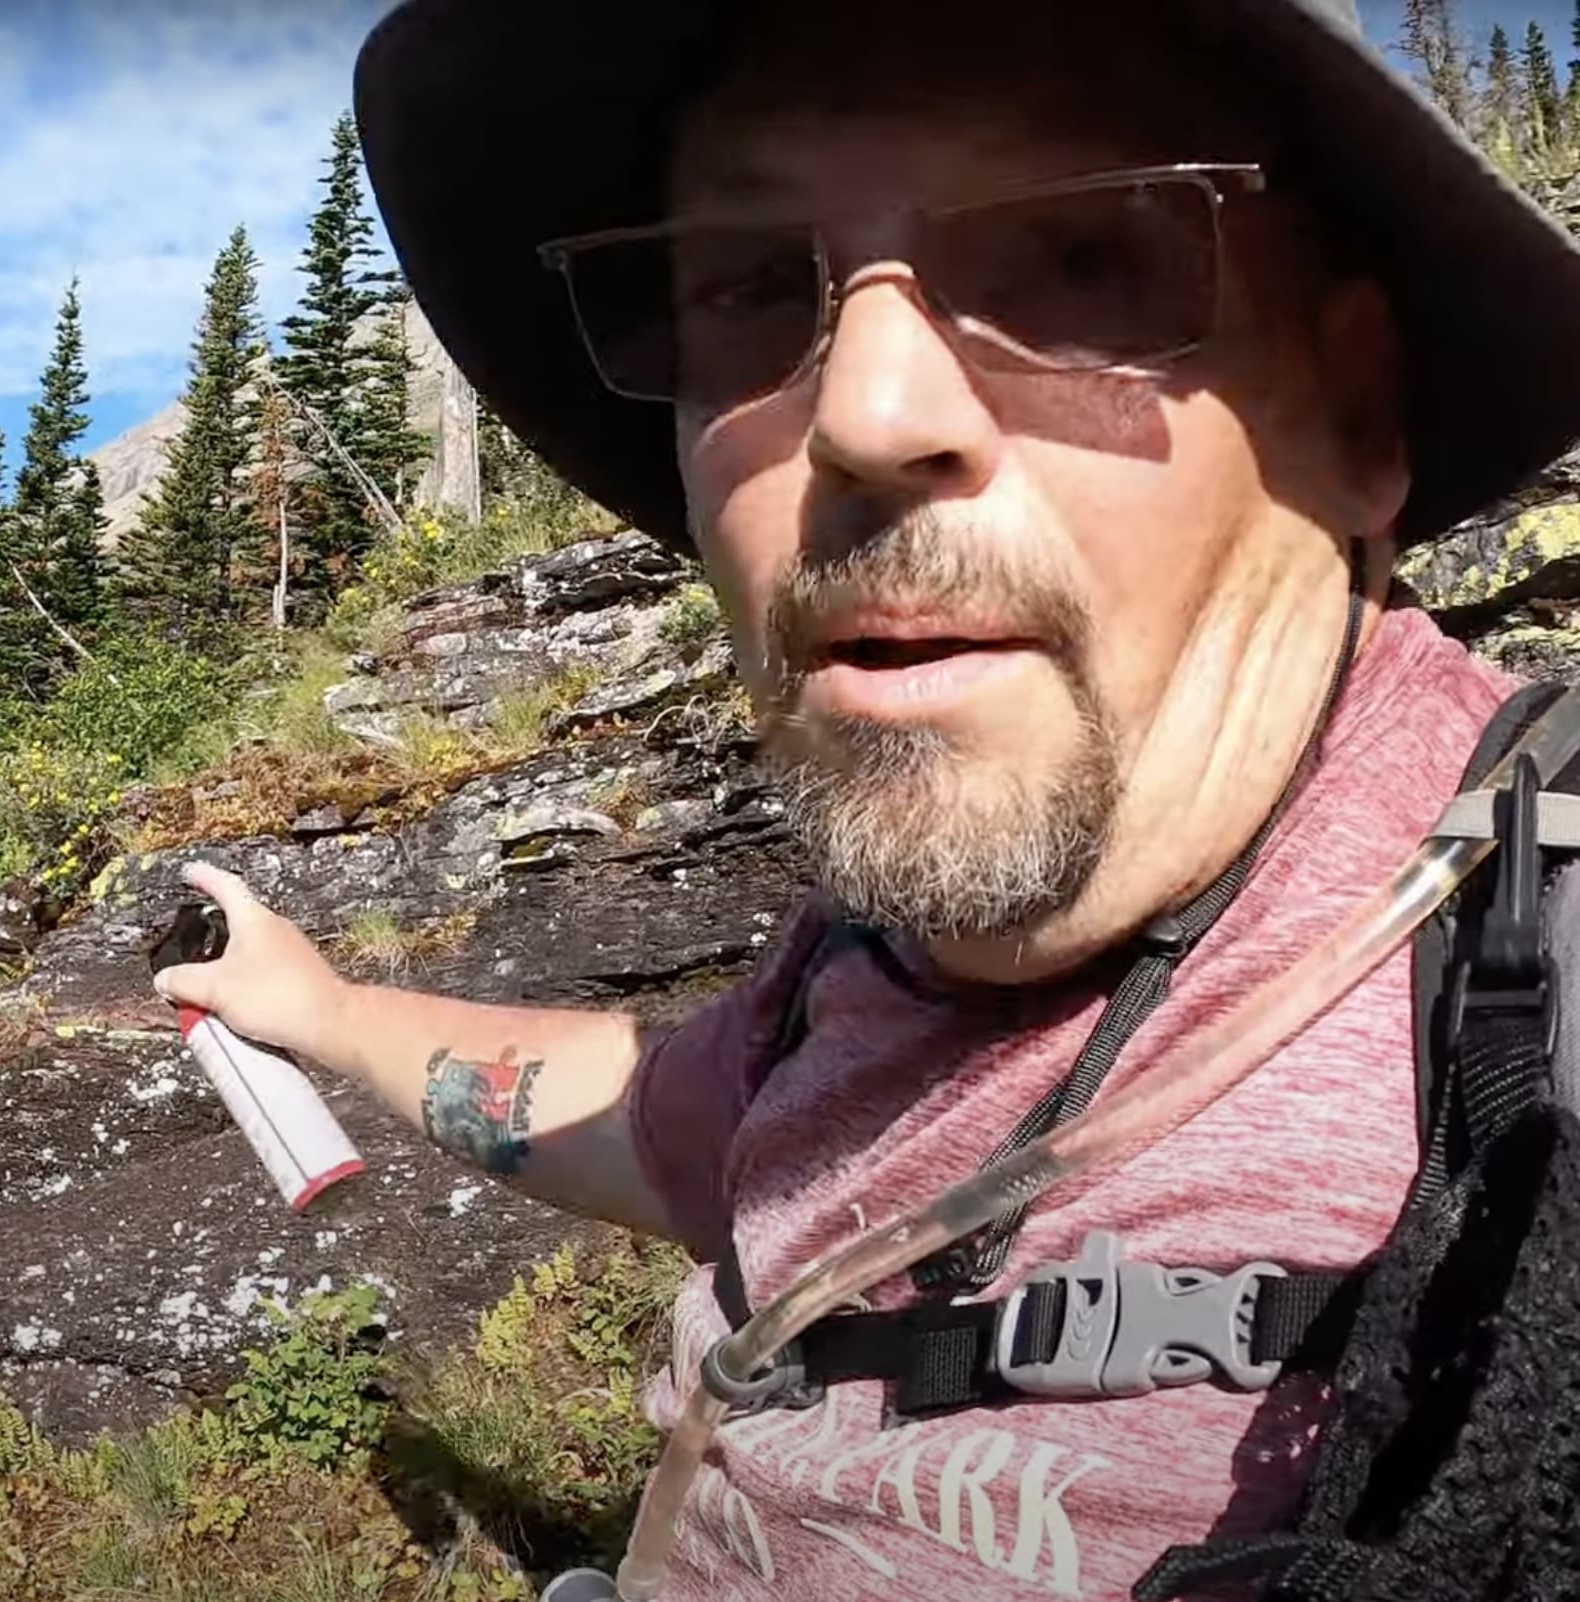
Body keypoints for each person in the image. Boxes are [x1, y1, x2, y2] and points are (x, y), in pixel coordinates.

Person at [149, 1, 1580, 1597]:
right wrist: (326, 1008)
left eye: (1082, 256)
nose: (866, 414)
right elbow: (665, 1120)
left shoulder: (1528, 1021)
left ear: (1358, 415)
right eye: (754, 290)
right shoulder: (864, 960)